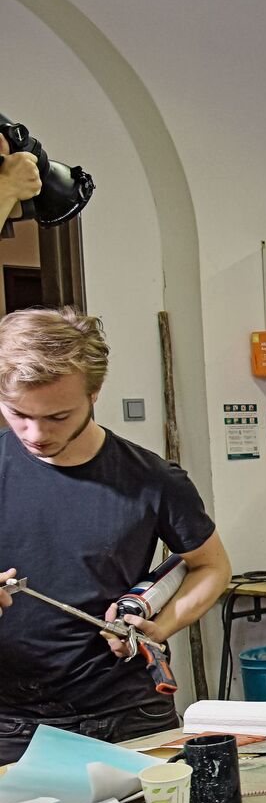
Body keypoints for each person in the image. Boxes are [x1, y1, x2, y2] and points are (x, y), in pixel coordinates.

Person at [0, 308, 231, 762]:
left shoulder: (153, 479)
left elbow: (211, 566)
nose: (36, 433)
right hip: (11, 722)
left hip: (128, 712)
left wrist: (160, 626)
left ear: (94, 392)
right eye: (18, 414)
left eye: (58, 416)